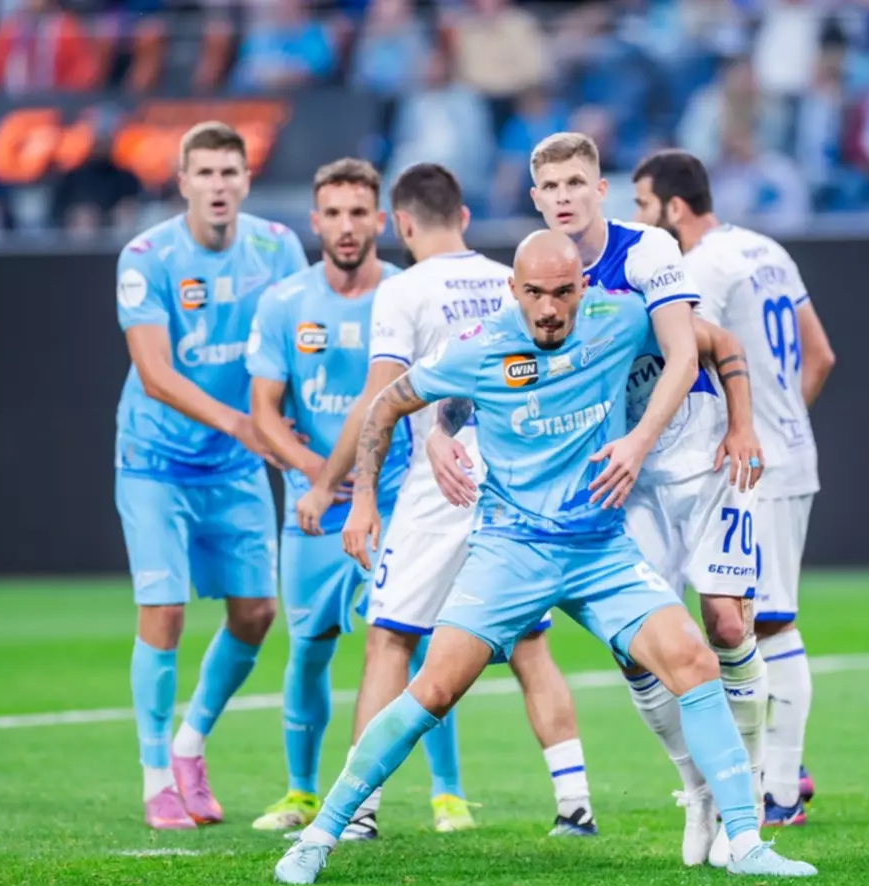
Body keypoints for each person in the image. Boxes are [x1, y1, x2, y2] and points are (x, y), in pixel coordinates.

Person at [273, 230, 819, 884]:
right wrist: (371, 492)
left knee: (696, 662)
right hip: (511, 551)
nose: (550, 309)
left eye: (563, 292)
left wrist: (740, 424)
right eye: (534, 293)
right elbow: (388, 403)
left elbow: (718, 343)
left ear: (584, 287)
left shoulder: (620, 318)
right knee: (434, 690)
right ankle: (318, 836)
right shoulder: (480, 345)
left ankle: (747, 843)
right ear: (513, 289)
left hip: (600, 551)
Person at [293, 162, 597, 839]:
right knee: (529, 645)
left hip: (441, 481)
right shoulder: (513, 277)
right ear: (462, 216)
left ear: (400, 225)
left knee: (390, 638)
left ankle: (358, 811)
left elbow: (381, 398)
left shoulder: (403, 290)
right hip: (519, 475)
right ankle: (575, 804)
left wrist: (345, 490)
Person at [521, 131, 773, 866]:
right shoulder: (541, 275)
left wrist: (735, 427)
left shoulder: (646, 252)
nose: (564, 197)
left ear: (599, 190)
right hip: (625, 481)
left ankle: (751, 790)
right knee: (636, 647)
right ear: (535, 199)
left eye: (576, 183)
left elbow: (696, 350)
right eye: (550, 187)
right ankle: (698, 790)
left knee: (723, 623)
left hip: (699, 458)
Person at [246, 158, 466, 831]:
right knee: (309, 646)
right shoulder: (285, 303)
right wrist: (317, 473)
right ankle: (301, 792)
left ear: (381, 221)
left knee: (415, 641)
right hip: (314, 507)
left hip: (398, 498)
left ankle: (447, 793)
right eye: (334, 214)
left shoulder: (407, 291)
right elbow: (262, 411)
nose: (346, 227)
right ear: (315, 222)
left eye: (358, 213)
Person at [631, 149, 836, 835]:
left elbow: (698, 356)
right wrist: (785, 421)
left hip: (749, 465)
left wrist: (747, 434)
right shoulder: (766, 250)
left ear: (674, 207)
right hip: (788, 451)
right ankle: (780, 773)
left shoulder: (700, 266)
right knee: (755, 620)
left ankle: (780, 790)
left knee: (764, 622)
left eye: (643, 205)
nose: (640, 220)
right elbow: (820, 356)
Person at [114, 121, 309, 830]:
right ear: (183, 182)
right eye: (205, 173)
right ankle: (155, 778)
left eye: (230, 172)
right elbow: (154, 373)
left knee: (256, 613)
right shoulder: (147, 257)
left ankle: (190, 745)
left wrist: (298, 435)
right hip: (155, 461)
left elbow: (296, 350)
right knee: (164, 611)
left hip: (235, 466)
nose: (218, 185)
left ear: (247, 181)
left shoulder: (278, 248)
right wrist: (242, 424)